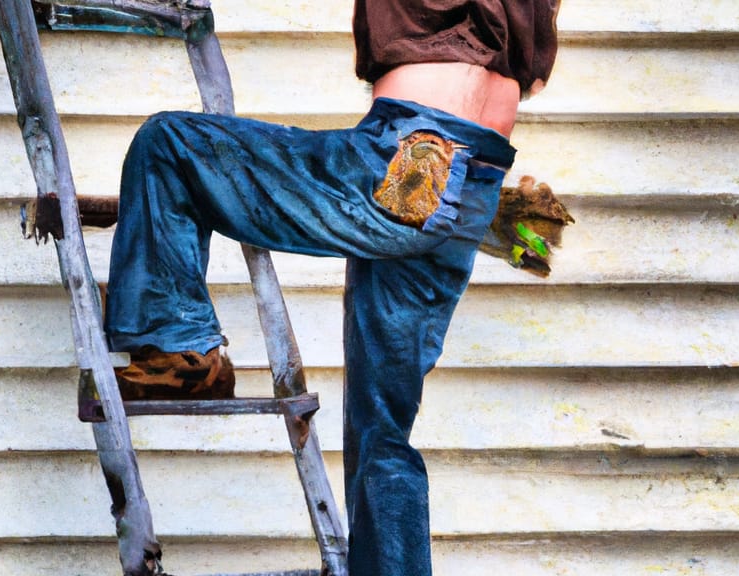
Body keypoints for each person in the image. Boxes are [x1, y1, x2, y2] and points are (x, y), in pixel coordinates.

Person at [105, 1, 561, 573]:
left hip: (409, 164)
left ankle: (179, 348)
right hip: (475, 180)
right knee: (384, 436)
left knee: (168, 143)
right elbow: (529, 77)